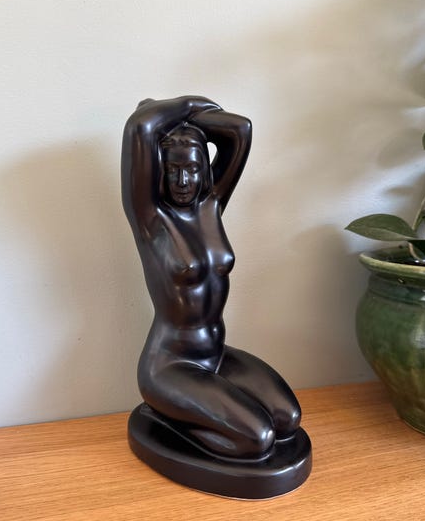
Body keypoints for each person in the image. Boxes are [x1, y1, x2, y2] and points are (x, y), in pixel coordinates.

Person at [122, 96, 301, 461]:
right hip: (170, 365)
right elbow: (141, 126)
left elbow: (240, 129)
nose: (183, 180)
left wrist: (191, 119)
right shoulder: (152, 219)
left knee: (287, 419)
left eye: (191, 169)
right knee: (258, 439)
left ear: (203, 169)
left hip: (217, 355)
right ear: (159, 172)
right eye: (172, 170)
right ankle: (169, 417)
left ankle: (195, 414)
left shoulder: (211, 206)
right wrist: (190, 104)